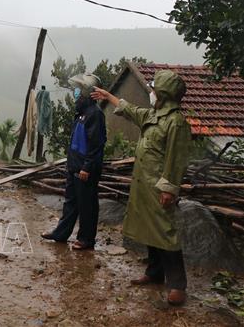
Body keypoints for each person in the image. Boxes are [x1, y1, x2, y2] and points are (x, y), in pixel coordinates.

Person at [90, 69, 191, 306]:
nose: (151, 93)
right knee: (149, 228)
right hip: (143, 185)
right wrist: (108, 96)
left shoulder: (176, 122)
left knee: (165, 232)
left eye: (154, 90)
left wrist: (169, 189)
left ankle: (177, 284)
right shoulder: (153, 116)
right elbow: (130, 110)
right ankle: (155, 272)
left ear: (164, 94)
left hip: (159, 187)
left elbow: (176, 159)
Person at [41, 73, 106, 250]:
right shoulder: (81, 112)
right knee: (70, 203)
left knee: (87, 206)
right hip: (74, 166)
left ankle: (86, 239)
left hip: (86, 169)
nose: (75, 92)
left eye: (78, 89)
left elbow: (96, 145)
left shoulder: (95, 114)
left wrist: (86, 167)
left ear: (86, 91)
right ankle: (61, 233)